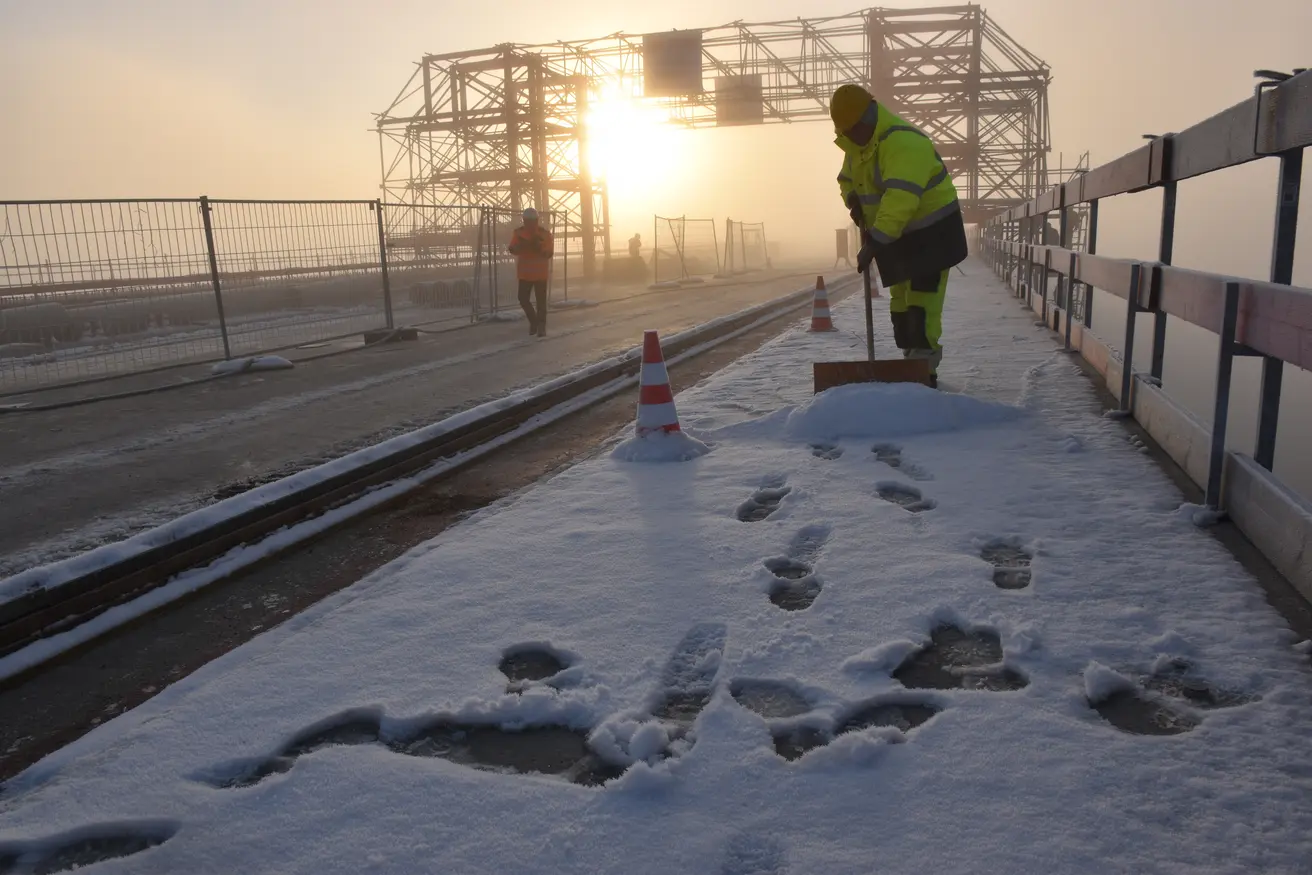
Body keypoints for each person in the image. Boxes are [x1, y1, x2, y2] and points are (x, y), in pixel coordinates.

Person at [830, 83, 968, 388]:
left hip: (932, 234)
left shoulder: (903, 142)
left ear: (867, 119)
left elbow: (901, 198)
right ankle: (910, 366)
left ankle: (924, 373)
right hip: (897, 234)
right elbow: (846, 179)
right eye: (846, 133)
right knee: (901, 305)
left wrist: (875, 241)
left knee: (921, 304)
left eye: (852, 131)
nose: (849, 138)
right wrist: (853, 201)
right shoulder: (857, 145)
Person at [507, 207, 554, 337]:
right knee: (523, 299)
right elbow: (512, 248)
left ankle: (541, 327)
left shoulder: (545, 235)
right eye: (528, 221)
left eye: (532, 221)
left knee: (541, 303)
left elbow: (549, 252)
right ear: (524, 221)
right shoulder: (519, 233)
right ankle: (534, 321)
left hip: (539, 275)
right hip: (525, 274)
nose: (530, 224)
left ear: (537, 221)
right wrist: (522, 246)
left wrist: (539, 248)